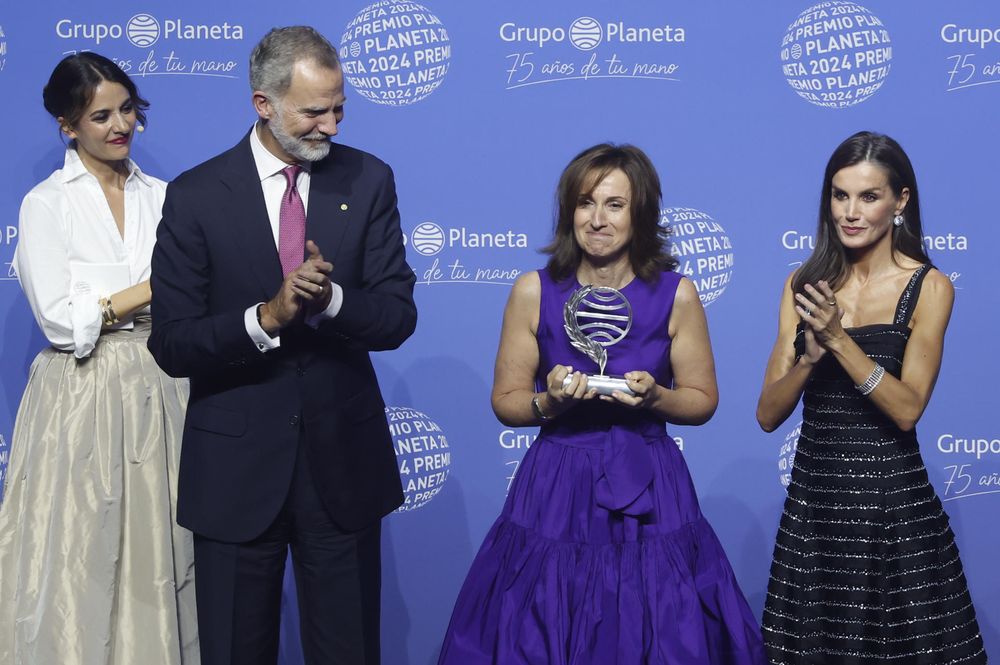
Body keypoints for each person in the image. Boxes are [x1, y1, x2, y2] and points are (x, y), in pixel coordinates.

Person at [147, 26, 416, 665]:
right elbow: (174, 344)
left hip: (342, 470)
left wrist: (331, 302)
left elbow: (397, 316)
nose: (330, 124)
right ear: (262, 104)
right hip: (235, 477)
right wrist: (267, 316)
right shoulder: (195, 195)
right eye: (314, 111)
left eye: (339, 108)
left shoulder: (369, 179)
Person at [438, 144, 766, 664]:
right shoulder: (533, 290)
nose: (597, 219)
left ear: (641, 213)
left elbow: (702, 401)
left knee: (657, 624)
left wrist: (655, 397)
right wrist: (550, 402)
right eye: (585, 202)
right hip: (556, 483)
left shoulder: (677, 294)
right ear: (570, 211)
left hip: (651, 483)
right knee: (541, 624)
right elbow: (507, 401)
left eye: (615, 204)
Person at [756, 131, 986, 664]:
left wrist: (838, 341)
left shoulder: (929, 286)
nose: (850, 212)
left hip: (893, 514)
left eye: (868, 196)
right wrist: (811, 359)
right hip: (815, 513)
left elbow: (908, 410)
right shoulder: (802, 283)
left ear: (900, 201)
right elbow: (767, 414)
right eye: (839, 196)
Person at [0, 53, 198, 664]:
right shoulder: (46, 204)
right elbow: (62, 320)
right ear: (68, 125)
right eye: (100, 115)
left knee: (167, 551)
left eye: (128, 109)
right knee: (81, 553)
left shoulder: (168, 197)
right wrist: (155, 286)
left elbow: (195, 295)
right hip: (80, 395)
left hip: (167, 383)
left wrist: (121, 299)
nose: (121, 126)